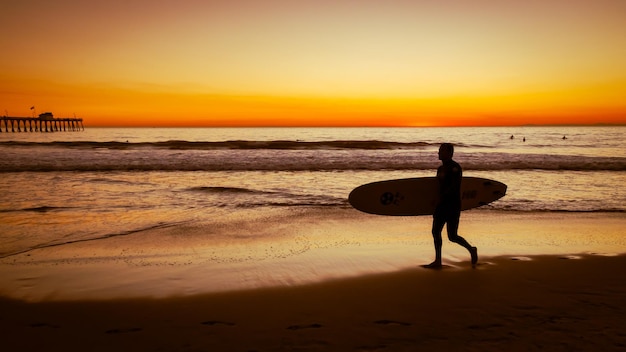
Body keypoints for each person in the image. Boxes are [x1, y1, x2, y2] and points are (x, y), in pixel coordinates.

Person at [425, 143, 478, 268]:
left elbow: (453, 188)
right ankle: (438, 261)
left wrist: (440, 199)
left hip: (452, 205)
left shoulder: (455, 168)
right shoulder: (440, 169)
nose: (438, 152)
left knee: (452, 236)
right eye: (439, 150)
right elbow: (437, 187)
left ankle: (471, 249)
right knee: (435, 231)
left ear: (449, 153)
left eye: (441, 151)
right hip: (441, 205)